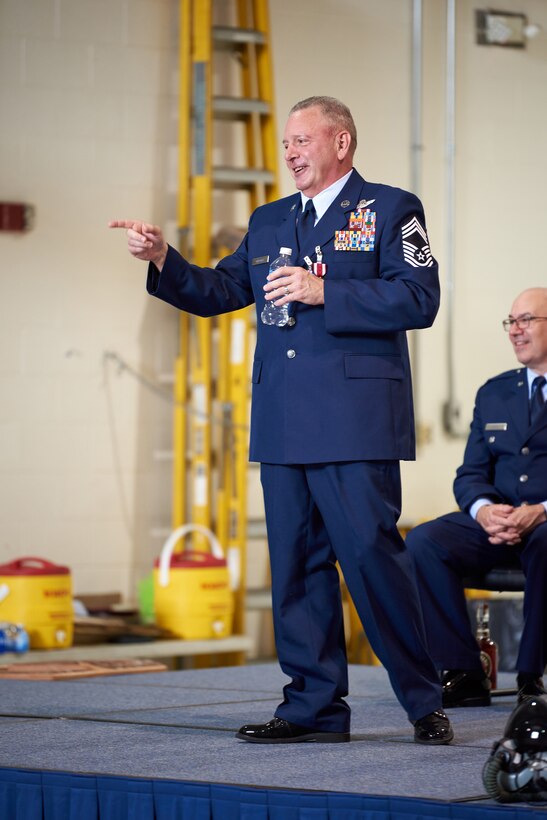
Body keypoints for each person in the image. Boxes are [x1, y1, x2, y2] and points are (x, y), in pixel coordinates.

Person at [110, 96, 453, 745]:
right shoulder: (269, 221)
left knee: (370, 562)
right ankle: (313, 708)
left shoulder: (389, 208)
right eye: (286, 143)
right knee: (294, 568)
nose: (291, 152)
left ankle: (421, 699)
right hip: (283, 420)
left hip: (355, 421)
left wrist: (328, 291)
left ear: (341, 142)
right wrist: (163, 259)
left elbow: (419, 296)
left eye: (303, 140)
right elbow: (219, 292)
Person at [406, 287, 547, 708]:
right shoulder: (494, 392)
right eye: (511, 322)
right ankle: (464, 671)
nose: (516, 331)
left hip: (543, 528)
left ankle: (529, 677)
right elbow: (470, 474)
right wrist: (485, 511)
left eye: (526, 320)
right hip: (497, 524)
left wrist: (540, 511)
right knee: (423, 541)